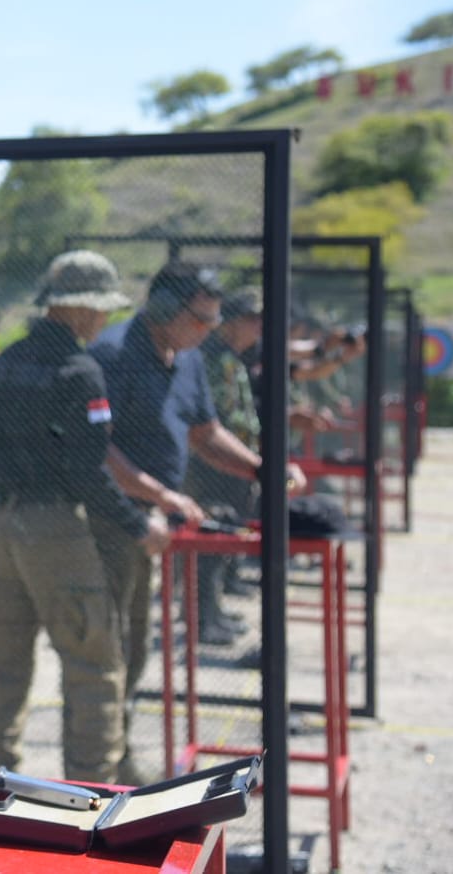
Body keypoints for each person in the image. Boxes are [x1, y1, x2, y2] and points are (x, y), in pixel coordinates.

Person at [89, 262, 301, 783]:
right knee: (105, 650)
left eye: (214, 321)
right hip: (107, 519)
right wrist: (158, 494)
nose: (209, 330)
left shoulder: (189, 361)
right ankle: (98, 770)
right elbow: (98, 449)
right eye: (200, 319)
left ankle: (114, 758)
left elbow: (206, 434)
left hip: (151, 521)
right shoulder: (110, 355)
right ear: (164, 309)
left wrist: (260, 468)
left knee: (133, 646)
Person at [0, 250, 166, 784]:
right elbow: (87, 472)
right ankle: (93, 793)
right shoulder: (80, 373)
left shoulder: (3, 364)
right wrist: (137, 525)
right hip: (53, 529)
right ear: (80, 309)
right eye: (101, 308)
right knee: (94, 666)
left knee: (5, 668)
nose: (104, 319)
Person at [184, 287, 264, 645]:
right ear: (230, 323)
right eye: (253, 319)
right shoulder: (214, 358)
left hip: (232, 463)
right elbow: (218, 419)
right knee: (210, 543)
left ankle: (211, 612)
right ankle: (202, 619)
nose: (259, 327)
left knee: (224, 541)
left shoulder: (229, 358)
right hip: (215, 467)